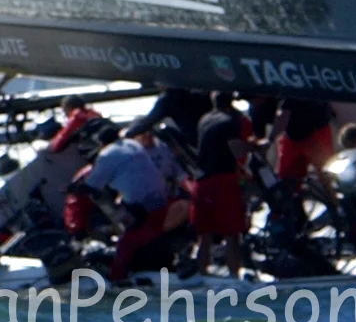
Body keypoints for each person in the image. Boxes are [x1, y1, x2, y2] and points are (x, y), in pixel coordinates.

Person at [74, 124, 173, 280]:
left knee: (128, 241)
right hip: (161, 196)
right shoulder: (132, 143)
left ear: (102, 143)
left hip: (140, 204)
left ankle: (117, 276)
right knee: (152, 232)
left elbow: (92, 185)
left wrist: (73, 189)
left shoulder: (107, 154)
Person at [193, 92, 251, 276]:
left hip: (201, 181)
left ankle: (202, 273)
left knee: (204, 236)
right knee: (232, 234)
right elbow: (236, 148)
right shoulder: (231, 119)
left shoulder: (204, 119)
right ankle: (235, 275)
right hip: (223, 181)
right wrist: (256, 146)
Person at [272, 97, 335, 185]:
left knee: (326, 172)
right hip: (294, 136)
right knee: (287, 178)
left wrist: (270, 140)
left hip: (316, 132)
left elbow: (283, 116)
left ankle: (333, 196)